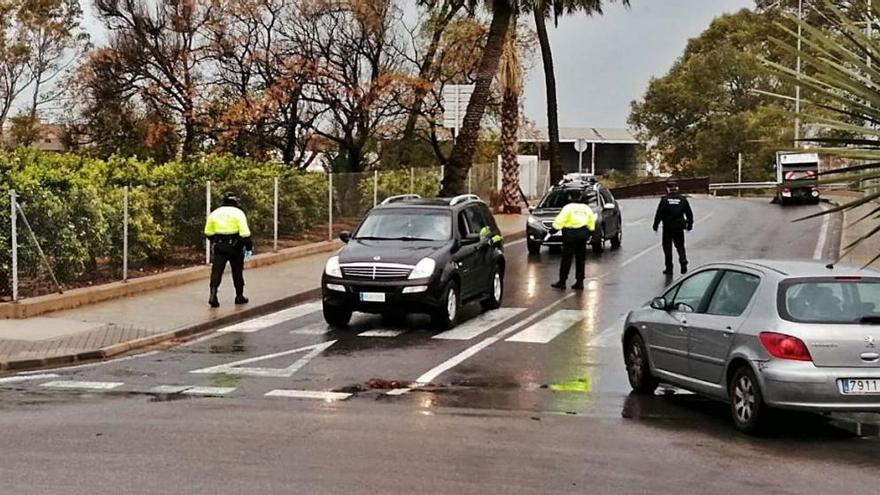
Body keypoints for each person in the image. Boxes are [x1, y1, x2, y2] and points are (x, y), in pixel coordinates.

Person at [204, 192, 253, 308]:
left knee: (217, 271)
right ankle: (239, 296)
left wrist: (215, 241)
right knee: (237, 272)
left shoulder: (215, 213)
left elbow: (208, 232)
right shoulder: (239, 213)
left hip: (220, 246)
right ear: (235, 201)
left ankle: (213, 294)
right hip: (235, 246)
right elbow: (245, 233)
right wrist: (249, 247)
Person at [551, 190, 597, 291]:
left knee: (566, 259)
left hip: (570, 235)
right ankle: (580, 282)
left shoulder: (568, 208)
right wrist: (590, 233)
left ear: (570, 197)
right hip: (582, 236)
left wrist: (553, 230)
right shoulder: (586, 208)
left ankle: (562, 282)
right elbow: (591, 222)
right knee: (580, 260)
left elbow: (560, 220)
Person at [653, 181, 694, 275]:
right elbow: (689, 214)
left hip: (667, 228)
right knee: (680, 246)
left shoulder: (664, 200)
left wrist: (655, 225)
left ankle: (669, 268)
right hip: (679, 227)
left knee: (667, 248)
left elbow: (659, 214)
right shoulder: (683, 200)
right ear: (677, 188)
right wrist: (690, 225)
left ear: (668, 189)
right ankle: (683, 260)